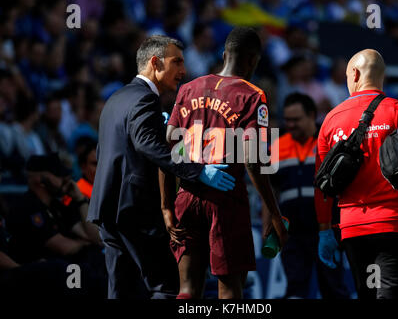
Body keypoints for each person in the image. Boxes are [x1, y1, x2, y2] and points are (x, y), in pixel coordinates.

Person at [87, 35, 236, 299]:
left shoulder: (116, 99)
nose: (183, 70)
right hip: (134, 209)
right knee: (167, 286)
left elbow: (108, 150)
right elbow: (147, 146)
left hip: (106, 207)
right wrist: (198, 171)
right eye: (176, 62)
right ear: (155, 63)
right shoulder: (145, 100)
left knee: (121, 290)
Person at [162, 27, 288, 299]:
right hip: (226, 199)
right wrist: (273, 213)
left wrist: (166, 205)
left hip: (186, 195)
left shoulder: (188, 88)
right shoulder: (253, 96)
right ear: (253, 60)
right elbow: (254, 161)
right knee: (230, 289)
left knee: (186, 289)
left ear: (224, 54)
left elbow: (168, 149)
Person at [315, 49, 398, 299]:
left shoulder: (330, 120)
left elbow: (322, 185)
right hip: (395, 225)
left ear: (354, 74)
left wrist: (325, 231)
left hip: (353, 229)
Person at [264, 92, 349, 299]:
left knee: (333, 287)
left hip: (327, 231)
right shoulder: (275, 147)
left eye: (296, 119)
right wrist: (268, 224)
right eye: (287, 120)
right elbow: (269, 191)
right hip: (291, 233)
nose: (290, 124)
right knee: (295, 288)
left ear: (312, 115)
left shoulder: (329, 144)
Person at [4, 154, 106, 296]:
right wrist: (85, 243)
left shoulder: (58, 205)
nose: (67, 179)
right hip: (39, 275)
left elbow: (95, 237)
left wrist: (80, 200)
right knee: (81, 270)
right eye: (59, 175)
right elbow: (64, 248)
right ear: (40, 180)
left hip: (65, 269)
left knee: (101, 261)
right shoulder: (27, 207)